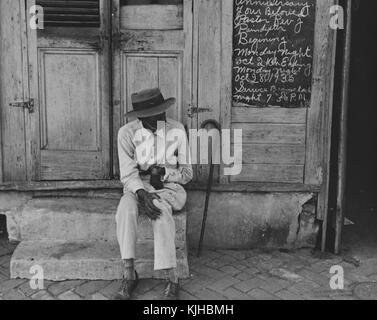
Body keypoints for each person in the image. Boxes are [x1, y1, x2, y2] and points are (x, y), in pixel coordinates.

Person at [115, 88, 193, 300]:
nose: (161, 117)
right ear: (140, 117)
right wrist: (142, 193)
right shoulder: (126, 133)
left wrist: (166, 173)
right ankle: (129, 274)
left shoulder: (176, 129)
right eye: (155, 115)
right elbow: (127, 174)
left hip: (168, 188)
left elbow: (187, 174)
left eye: (162, 112)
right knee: (125, 209)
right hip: (137, 186)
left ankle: (172, 277)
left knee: (159, 210)